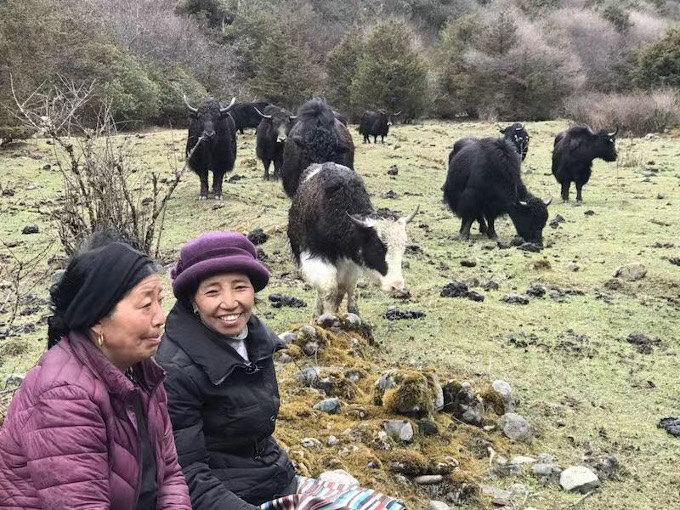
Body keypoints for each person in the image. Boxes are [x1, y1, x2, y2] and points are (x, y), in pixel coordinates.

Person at [157, 231, 406, 510]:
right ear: (193, 300)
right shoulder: (174, 370)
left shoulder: (254, 339)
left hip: (276, 481)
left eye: (240, 287)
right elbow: (187, 474)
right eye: (212, 291)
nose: (229, 302)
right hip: (230, 499)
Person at [0, 237, 191, 509]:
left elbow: (170, 475)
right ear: (97, 320)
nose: (161, 317)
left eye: (159, 301)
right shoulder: (63, 396)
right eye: (146, 305)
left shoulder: (144, 373)